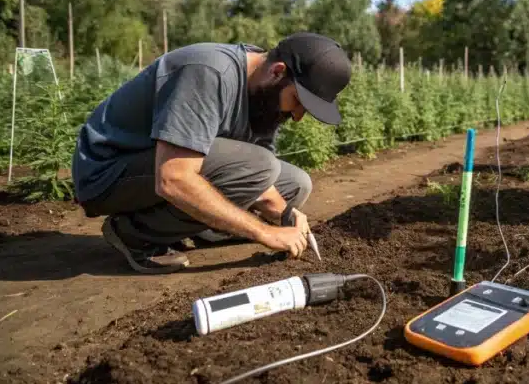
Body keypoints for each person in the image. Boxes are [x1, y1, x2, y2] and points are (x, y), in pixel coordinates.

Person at [71, 32, 353, 274]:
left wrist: (285, 214)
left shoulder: (264, 95)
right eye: (298, 102)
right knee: (262, 166)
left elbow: (261, 183)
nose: (297, 116)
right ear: (278, 72)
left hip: (157, 168)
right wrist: (264, 232)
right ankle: (135, 234)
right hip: (108, 173)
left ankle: (197, 228)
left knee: (294, 185)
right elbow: (173, 178)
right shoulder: (209, 72)